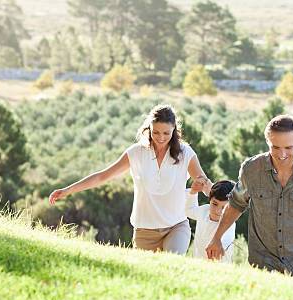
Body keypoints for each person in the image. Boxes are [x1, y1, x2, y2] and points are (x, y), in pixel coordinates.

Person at [48, 104, 212, 255]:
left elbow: (205, 183)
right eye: (156, 132)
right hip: (144, 231)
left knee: (173, 263)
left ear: (174, 130)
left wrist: (227, 198)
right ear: (149, 129)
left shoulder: (185, 153)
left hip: (177, 226)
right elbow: (102, 176)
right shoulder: (136, 153)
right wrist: (68, 190)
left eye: (166, 133)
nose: (160, 138)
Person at [206, 114, 293, 281]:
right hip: (262, 265)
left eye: (289, 148)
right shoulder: (252, 169)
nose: (282, 154)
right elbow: (235, 204)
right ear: (267, 141)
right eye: (275, 147)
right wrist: (216, 238)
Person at [185, 179, 236, 263]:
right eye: (215, 204)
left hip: (219, 267)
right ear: (210, 199)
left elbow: (221, 246)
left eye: (224, 207)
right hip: (197, 262)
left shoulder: (229, 224)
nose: (218, 211)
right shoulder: (204, 210)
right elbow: (189, 210)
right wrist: (193, 192)